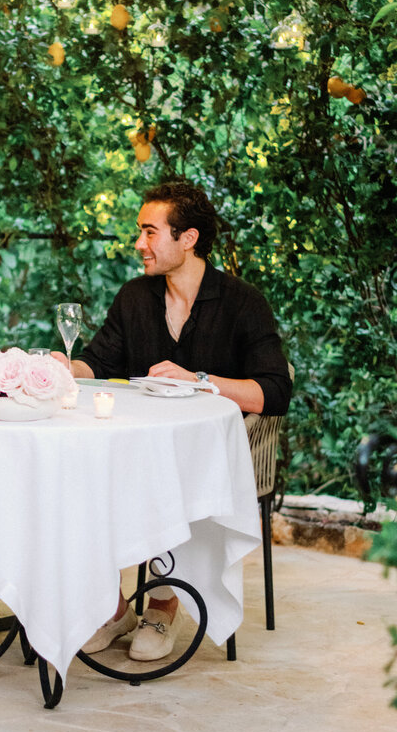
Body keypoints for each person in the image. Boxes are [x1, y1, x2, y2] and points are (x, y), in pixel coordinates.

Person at [54, 179, 292, 662]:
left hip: (213, 457)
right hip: (134, 446)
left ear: (188, 239)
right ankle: (113, 608)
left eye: (149, 232)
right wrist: (63, 367)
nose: (139, 244)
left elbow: (274, 391)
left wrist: (200, 380)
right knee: (69, 476)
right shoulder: (135, 297)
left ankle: (163, 605)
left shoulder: (243, 302)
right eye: (140, 233)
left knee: (158, 478)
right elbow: (99, 363)